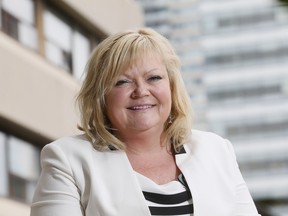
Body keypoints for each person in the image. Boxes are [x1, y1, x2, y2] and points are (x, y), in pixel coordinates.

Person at [30, 27, 261, 216]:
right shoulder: (67, 159)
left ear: (171, 87)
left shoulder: (217, 150)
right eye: (122, 82)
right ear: (100, 96)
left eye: (154, 78)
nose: (141, 91)